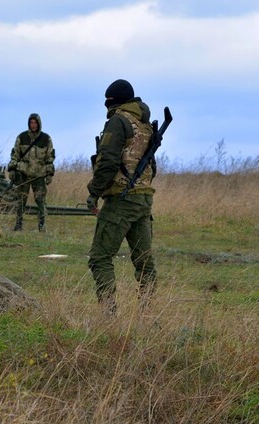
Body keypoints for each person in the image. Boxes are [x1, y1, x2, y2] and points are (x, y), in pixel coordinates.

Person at [86, 79, 157, 313]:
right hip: (144, 198)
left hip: (122, 198)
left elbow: (107, 161)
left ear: (111, 101)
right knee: (144, 262)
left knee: (100, 257)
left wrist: (94, 192)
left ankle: (108, 313)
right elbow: (151, 165)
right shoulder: (144, 122)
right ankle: (147, 313)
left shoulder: (118, 121)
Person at [7, 113, 55, 232]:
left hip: (39, 174)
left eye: (35, 123)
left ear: (39, 124)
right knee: (21, 200)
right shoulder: (22, 137)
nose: (33, 125)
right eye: (31, 123)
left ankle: (42, 225)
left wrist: (49, 174)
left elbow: (50, 158)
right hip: (23, 173)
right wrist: (12, 169)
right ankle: (18, 225)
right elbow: (15, 155)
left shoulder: (46, 139)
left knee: (40, 200)